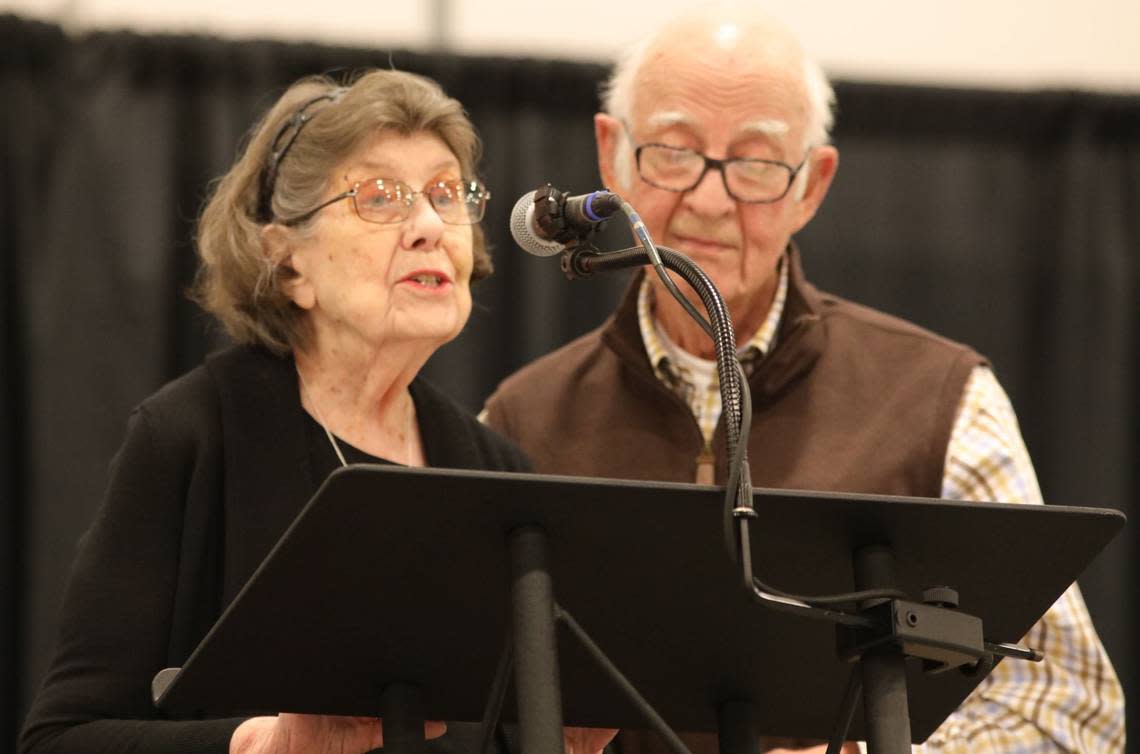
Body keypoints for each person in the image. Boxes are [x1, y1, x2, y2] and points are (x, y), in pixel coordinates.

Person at [482, 6, 1124, 754]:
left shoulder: (941, 397)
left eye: (754, 163)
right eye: (672, 151)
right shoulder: (522, 417)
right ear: (612, 155)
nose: (710, 200)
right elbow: (467, 705)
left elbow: (1068, 704)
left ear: (812, 185)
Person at [20, 69, 530, 754]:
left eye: (445, 193)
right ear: (288, 264)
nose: (431, 227)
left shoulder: (498, 471)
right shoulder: (191, 438)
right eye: (381, 197)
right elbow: (61, 739)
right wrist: (262, 746)